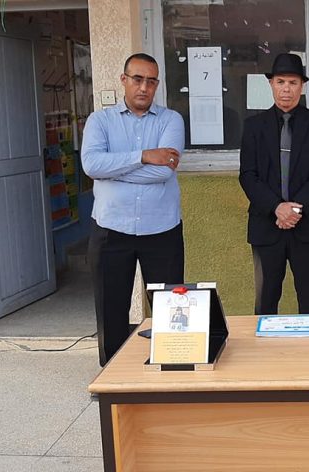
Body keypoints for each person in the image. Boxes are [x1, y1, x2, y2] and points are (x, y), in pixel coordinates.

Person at [82, 53, 185, 366]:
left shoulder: (171, 120)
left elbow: (164, 171)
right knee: (110, 308)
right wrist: (143, 156)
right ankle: (112, 374)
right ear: (124, 80)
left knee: (169, 308)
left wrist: (114, 170)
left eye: (151, 81)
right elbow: (92, 165)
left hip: (162, 229)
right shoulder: (100, 121)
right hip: (111, 229)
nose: (144, 87)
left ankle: (169, 367)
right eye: (137, 79)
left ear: (157, 85)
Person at [239, 53, 309, 315]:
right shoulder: (253, 127)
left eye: (293, 82)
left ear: (302, 86)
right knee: (266, 299)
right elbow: (248, 175)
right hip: (266, 225)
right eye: (280, 82)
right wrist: (277, 208)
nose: (286, 89)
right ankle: (264, 344)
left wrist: (295, 209)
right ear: (271, 84)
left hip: (308, 224)